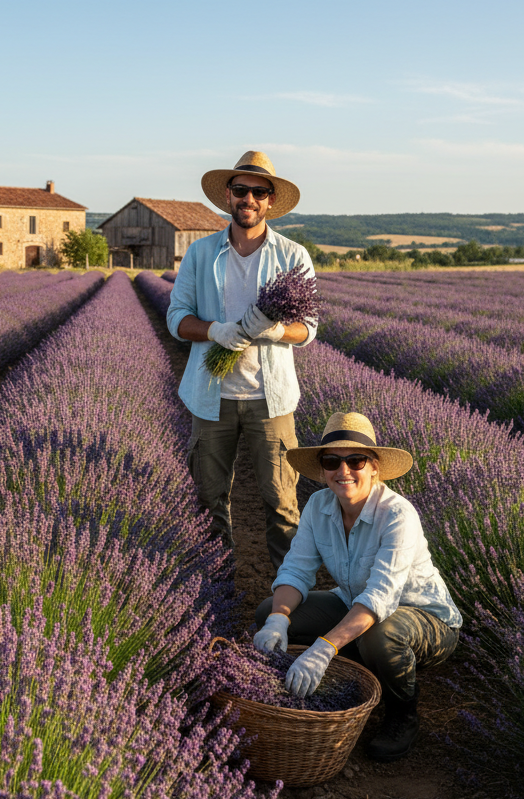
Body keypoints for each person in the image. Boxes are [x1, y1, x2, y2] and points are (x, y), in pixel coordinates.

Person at [252, 412, 462, 762]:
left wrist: (323, 647)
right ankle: (353, 667)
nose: (343, 470)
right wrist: (277, 619)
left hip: (427, 620)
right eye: (332, 461)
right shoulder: (319, 506)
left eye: (356, 460)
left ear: (375, 466)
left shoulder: (397, 515)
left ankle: (402, 715)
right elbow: (296, 570)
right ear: (321, 470)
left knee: (380, 637)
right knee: (268, 611)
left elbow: (381, 596)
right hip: (354, 605)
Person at [166, 150, 318, 570]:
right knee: (208, 499)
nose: (248, 198)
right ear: (227, 197)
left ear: (270, 201)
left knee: (282, 503)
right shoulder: (200, 253)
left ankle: (289, 599)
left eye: (259, 192)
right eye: (240, 190)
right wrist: (216, 330)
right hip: (210, 396)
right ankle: (215, 590)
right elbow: (176, 318)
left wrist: (275, 332)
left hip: (271, 399)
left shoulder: (293, 256)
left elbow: (308, 328)